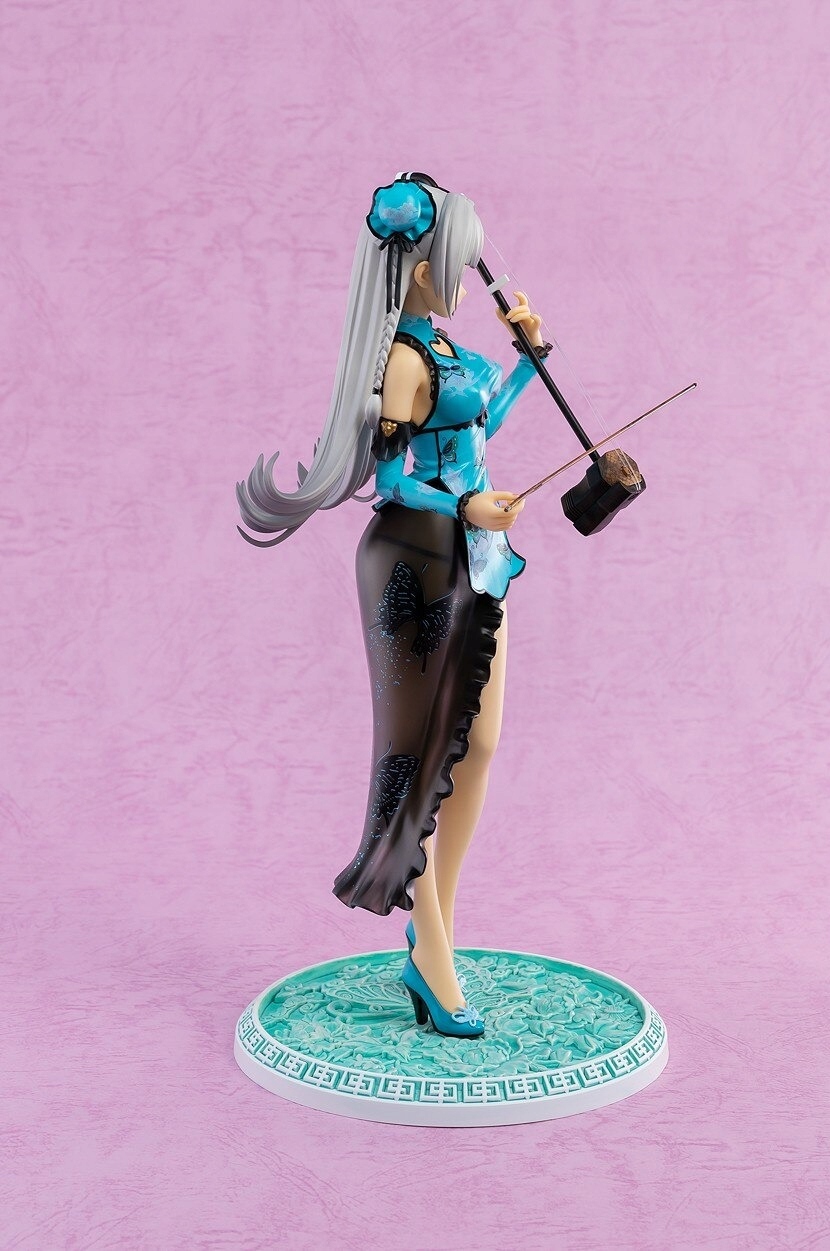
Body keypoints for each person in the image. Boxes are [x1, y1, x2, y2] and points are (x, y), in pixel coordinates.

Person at [236, 172, 549, 1037]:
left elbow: (478, 425)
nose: (469, 276)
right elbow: (394, 481)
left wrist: (530, 360)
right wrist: (469, 504)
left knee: (478, 742)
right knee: (420, 751)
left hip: (478, 555)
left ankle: (434, 926)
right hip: (417, 562)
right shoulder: (405, 363)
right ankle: (434, 949)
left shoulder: (442, 348)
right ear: (419, 268)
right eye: (457, 261)